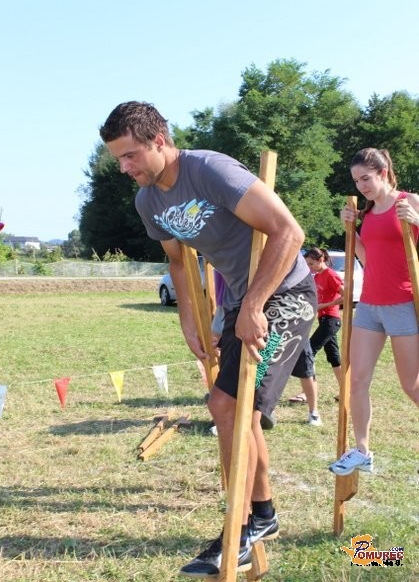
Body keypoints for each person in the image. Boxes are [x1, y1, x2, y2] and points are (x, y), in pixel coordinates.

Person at [100, 101, 317, 577]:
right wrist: (189, 321)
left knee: (227, 406)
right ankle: (263, 515)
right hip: (243, 303)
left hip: (287, 295)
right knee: (237, 410)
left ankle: (239, 528)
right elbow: (179, 261)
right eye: (118, 159)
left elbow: (289, 232)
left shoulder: (210, 170)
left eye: (130, 155)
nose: (124, 167)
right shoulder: (148, 202)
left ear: (159, 141)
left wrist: (254, 305)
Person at [329, 147, 419, 476]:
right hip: (369, 305)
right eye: (356, 181)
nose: (361, 186)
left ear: (383, 173)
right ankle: (363, 451)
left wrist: (418, 221)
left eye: (365, 178)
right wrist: (351, 230)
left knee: (411, 385)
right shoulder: (367, 213)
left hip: (403, 304)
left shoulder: (409, 201)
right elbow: (368, 259)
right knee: (356, 380)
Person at [289, 247, 344, 424]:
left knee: (309, 352)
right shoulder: (317, 276)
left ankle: (306, 393)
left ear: (321, 260)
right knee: (334, 357)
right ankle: (346, 391)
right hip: (323, 319)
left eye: (311, 264)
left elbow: (346, 295)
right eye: (307, 264)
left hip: (331, 320)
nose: (309, 267)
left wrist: (326, 305)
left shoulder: (331, 275)